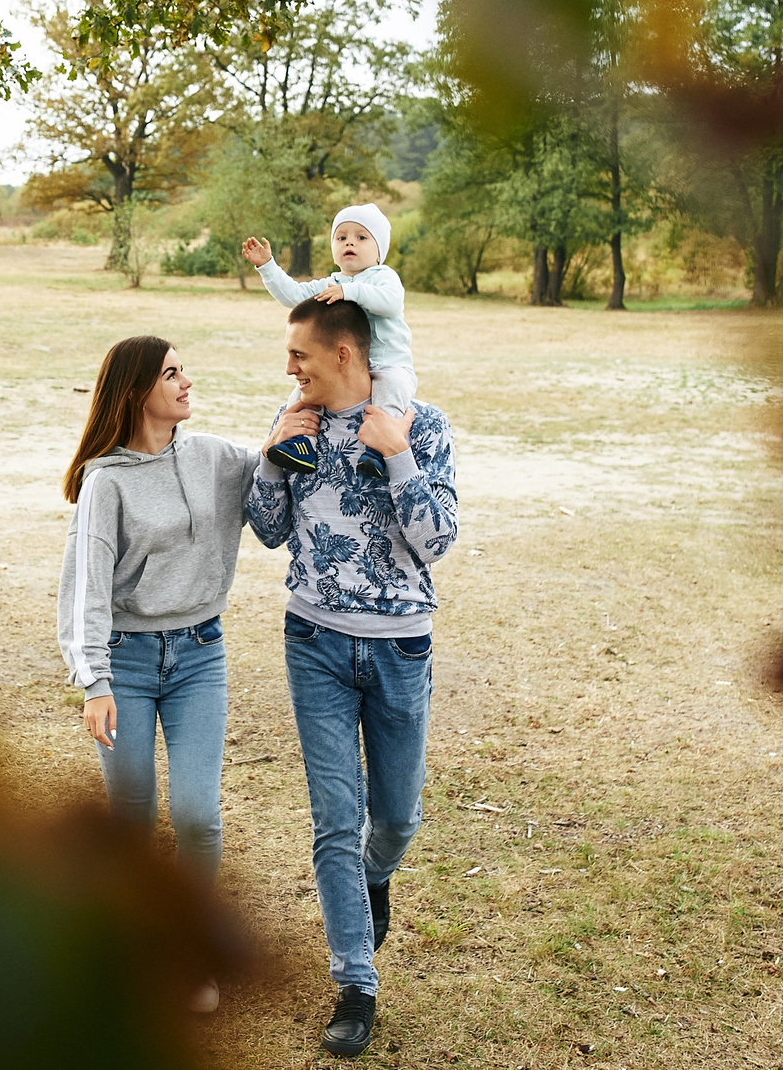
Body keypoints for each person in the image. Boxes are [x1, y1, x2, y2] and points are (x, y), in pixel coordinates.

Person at [245, 295, 458, 1059]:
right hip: (314, 641)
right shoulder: (294, 417)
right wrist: (273, 455)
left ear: (344, 355)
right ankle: (355, 984)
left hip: (400, 646)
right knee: (336, 817)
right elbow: (269, 530)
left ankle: (377, 876)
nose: (290, 368)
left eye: (299, 355)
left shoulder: (422, 422)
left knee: (396, 817)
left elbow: (436, 541)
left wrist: (395, 452)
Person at [55, 334, 266, 1014]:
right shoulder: (106, 479)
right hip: (130, 661)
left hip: (202, 653)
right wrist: (95, 682)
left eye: (184, 370)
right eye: (172, 372)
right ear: (138, 387)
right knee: (133, 817)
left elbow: (273, 469)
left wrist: (300, 414)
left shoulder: (211, 457)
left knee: (199, 815)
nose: (187, 381)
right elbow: (85, 586)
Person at [241, 201, 413, 478]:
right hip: (337, 369)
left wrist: (350, 292)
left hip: (388, 365)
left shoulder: (384, 278)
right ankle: (301, 445)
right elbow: (293, 296)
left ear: (379, 250)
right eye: (341, 237)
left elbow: (390, 303)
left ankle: (377, 452)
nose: (350, 243)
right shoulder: (330, 284)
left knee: (390, 396)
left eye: (361, 237)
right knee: (300, 397)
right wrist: (267, 267)